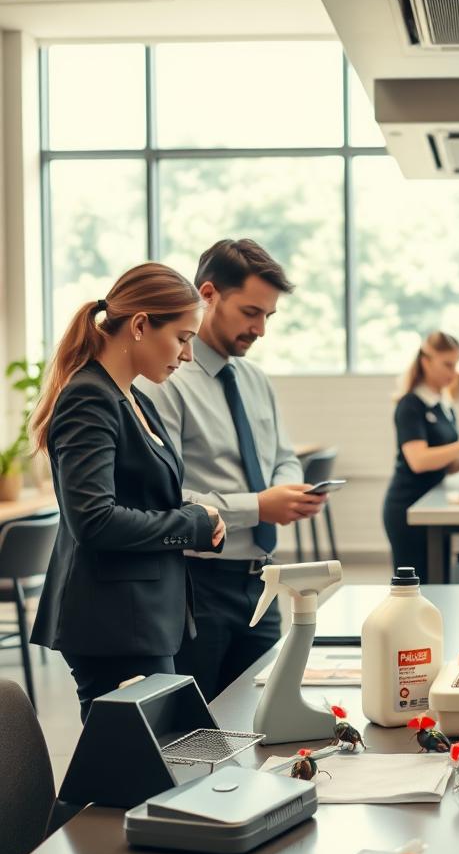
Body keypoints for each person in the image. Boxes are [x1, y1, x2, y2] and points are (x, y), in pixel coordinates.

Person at [30, 263, 226, 723]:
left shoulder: (131, 398)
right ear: (140, 325)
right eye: (182, 337)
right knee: (131, 773)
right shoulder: (89, 398)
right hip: (114, 625)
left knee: (148, 767)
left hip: (143, 619)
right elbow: (94, 520)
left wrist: (196, 512)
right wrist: (191, 525)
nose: (188, 354)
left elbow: (141, 496)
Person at [138, 239, 325, 701]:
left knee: (266, 715)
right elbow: (166, 497)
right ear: (208, 295)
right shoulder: (166, 381)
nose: (260, 328)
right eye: (250, 312)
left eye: (268, 316)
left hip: (262, 581)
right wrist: (259, 507)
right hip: (198, 585)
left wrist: (286, 491)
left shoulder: (254, 379)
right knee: (197, 730)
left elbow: (283, 454)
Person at [382, 332, 459, 580]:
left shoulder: (445, 406)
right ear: (426, 361)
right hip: (408, 507)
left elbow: (445, 464)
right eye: (447, 364)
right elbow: (419, 460)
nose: (453, 373)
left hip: (434, 505)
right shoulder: (410, 405)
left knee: (437, 578)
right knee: (417, 584)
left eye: (456, 365)